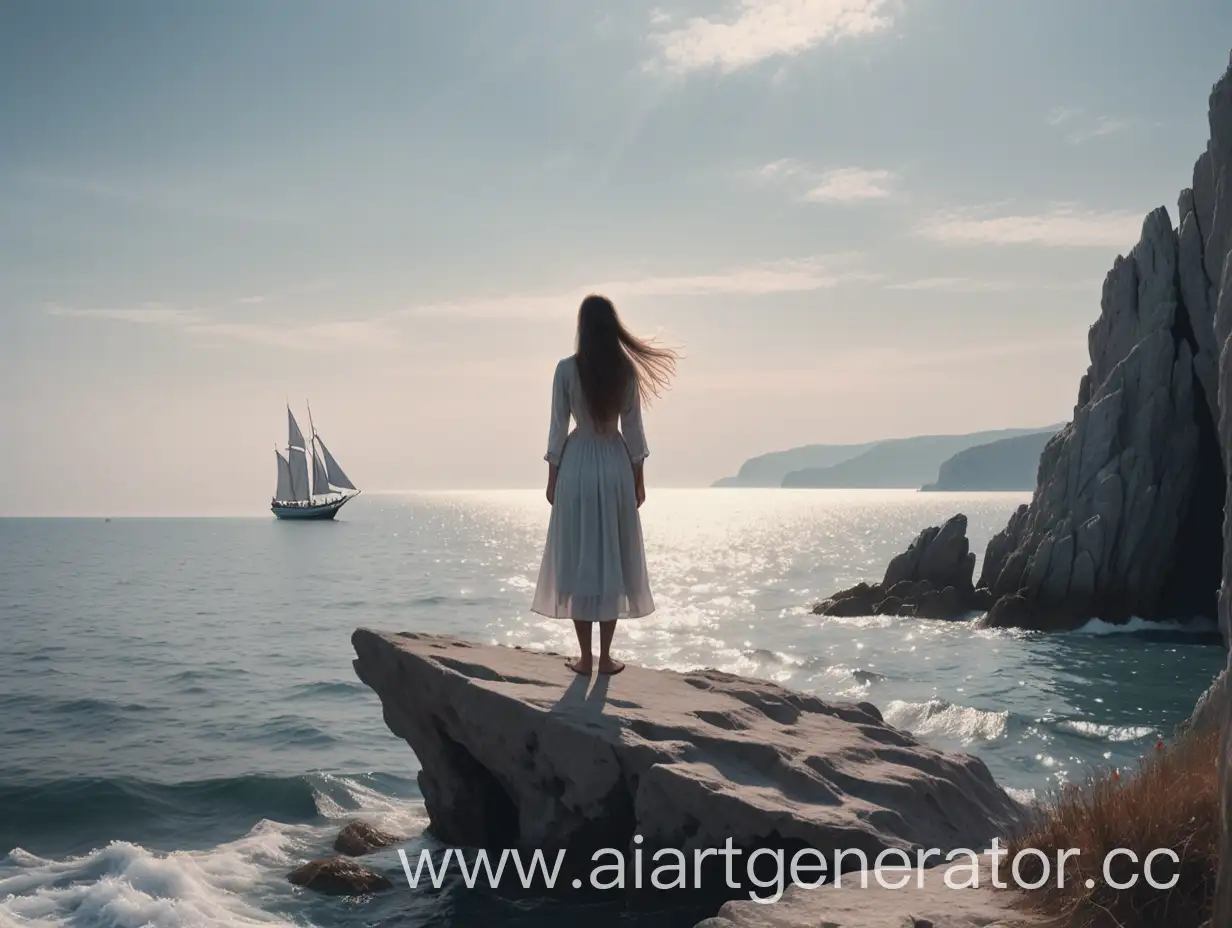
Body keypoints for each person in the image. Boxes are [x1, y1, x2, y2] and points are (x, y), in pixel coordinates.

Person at [531, 295, 678, 675]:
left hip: (577, 466)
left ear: (582, 327)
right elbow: (633, 431)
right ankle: (607, 656)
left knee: (581, 556)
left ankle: (584, 658)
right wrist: (638, 480)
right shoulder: (624, 372)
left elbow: (557, 428)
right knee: (610, 556)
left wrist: (552, 478)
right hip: (613, 464)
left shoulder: (566, 370)